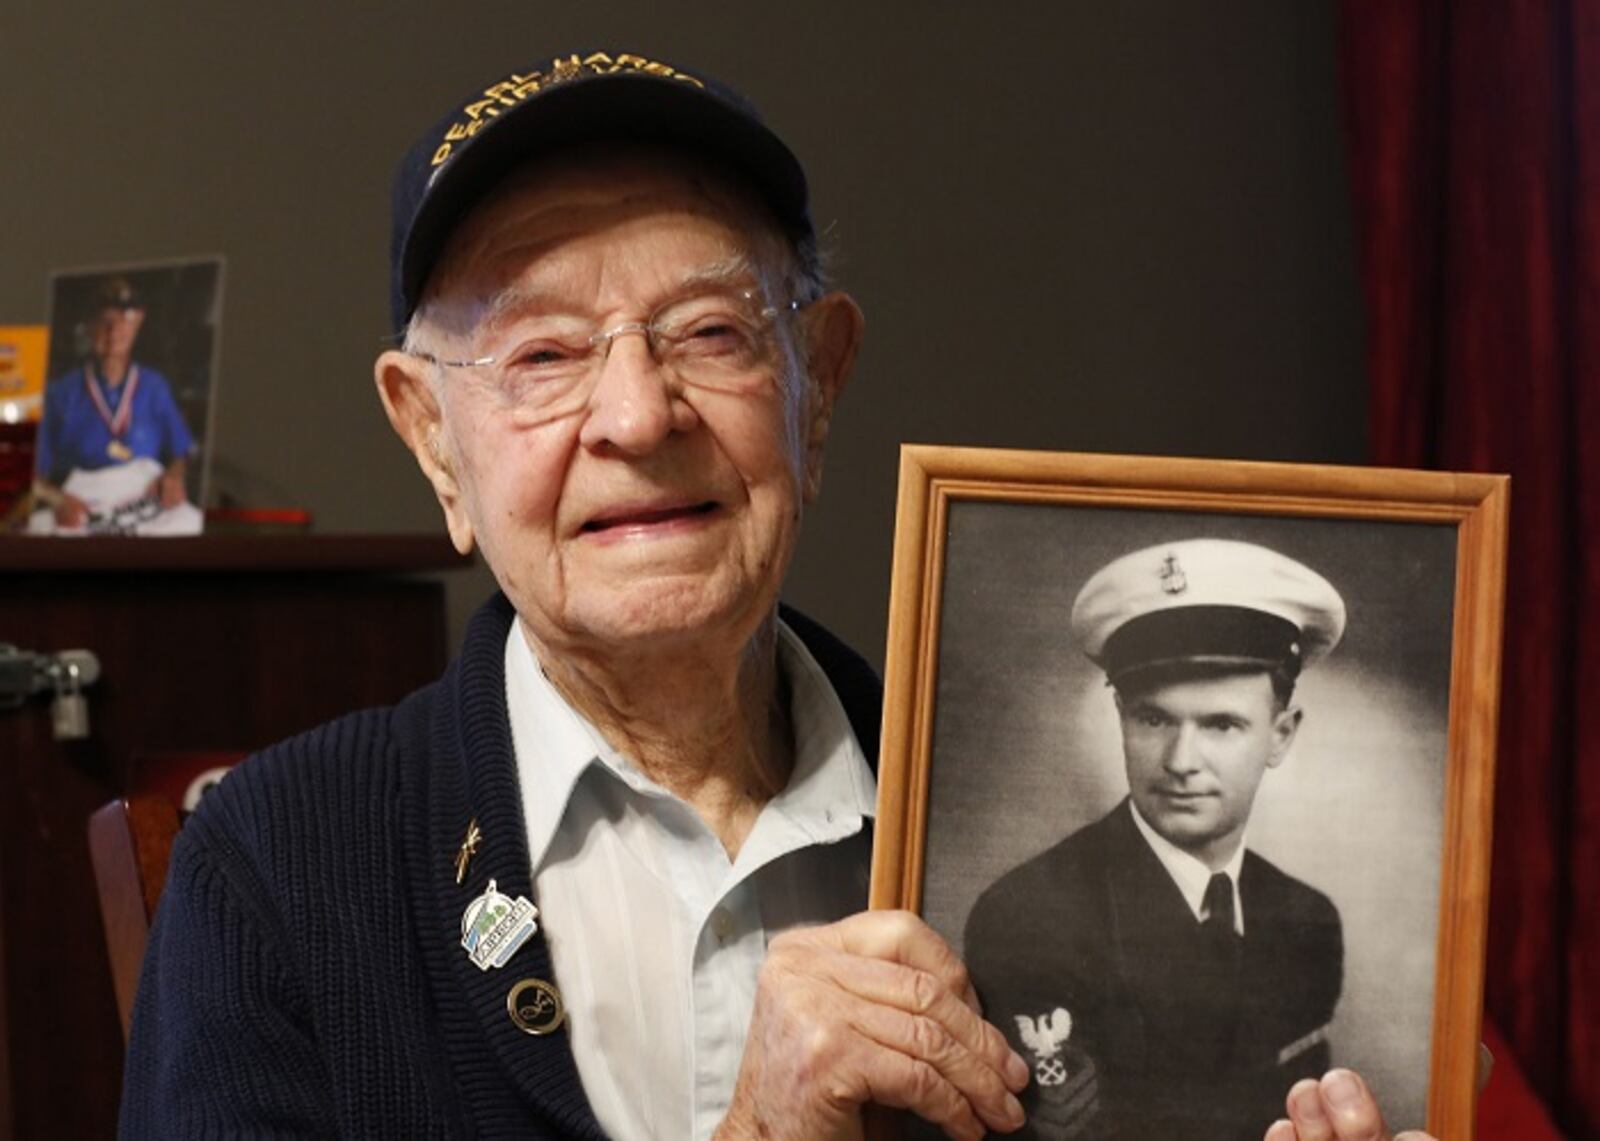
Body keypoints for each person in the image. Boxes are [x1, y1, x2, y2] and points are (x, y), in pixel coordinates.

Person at [118, 51, 1434, 1141]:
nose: (636, 413)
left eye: (711, 332)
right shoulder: (277, 871)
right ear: (431, 439)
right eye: (543, 355)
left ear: (818, 388)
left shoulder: (983, 849)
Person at [965, 539, 1353, 1139]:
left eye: (1221, 725)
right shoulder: (1028, 917)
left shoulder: (1307, 924)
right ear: (1120, 716)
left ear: (1281, 735)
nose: (1180, 761)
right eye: (1154, 718)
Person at [31, 276, 199, 534]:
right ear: (89, 328)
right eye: (105, 321)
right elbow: (30, 476)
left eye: (125, 320)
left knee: (189, 525)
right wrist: (57, 500)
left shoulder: (154, 387)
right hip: (84, 506)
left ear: (138, 324)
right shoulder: (61, 393)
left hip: (143, 502)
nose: (114, 330)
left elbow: (181, 451)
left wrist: (173, 478)